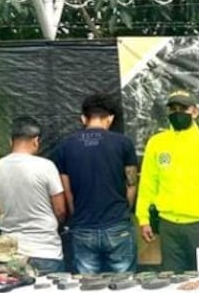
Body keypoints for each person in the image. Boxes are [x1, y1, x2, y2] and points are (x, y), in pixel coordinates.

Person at [135, 90, 199, 272]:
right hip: (168, 225)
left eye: (183, 108)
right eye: (172, 109)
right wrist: (144, 219)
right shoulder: (157, 143)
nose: (177, 113)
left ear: (195, 111)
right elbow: (148, 183)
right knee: (172, 283)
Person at [51, 93, 140, 273]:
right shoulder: (124, 143)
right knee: (125, 288)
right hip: (118, 223)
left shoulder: (66, 146)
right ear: (110, 118)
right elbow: (132, 183)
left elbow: (66, 189)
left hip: (83, 225)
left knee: (89, 289)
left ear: (83, 118)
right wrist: (125, 210)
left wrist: (76, 215)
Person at [0, 116, 67, 273]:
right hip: (46, 251)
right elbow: (60, 210)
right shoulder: (46, 166)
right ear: (36, 141)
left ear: (10, 141)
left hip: (10, 253)